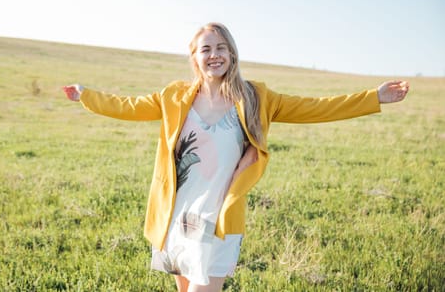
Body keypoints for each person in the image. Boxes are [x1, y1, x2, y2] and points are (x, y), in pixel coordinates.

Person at [63, 22, 409, 292]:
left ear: (232, 54)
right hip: (178, 215)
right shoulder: (175, 96)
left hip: (219, 219)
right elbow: (129, 107)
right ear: (194, 57)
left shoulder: (255, 97)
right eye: (206, 49)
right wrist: (85, 95)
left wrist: (372, 98)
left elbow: (313, 108)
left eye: (221, 48)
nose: (214, 55)